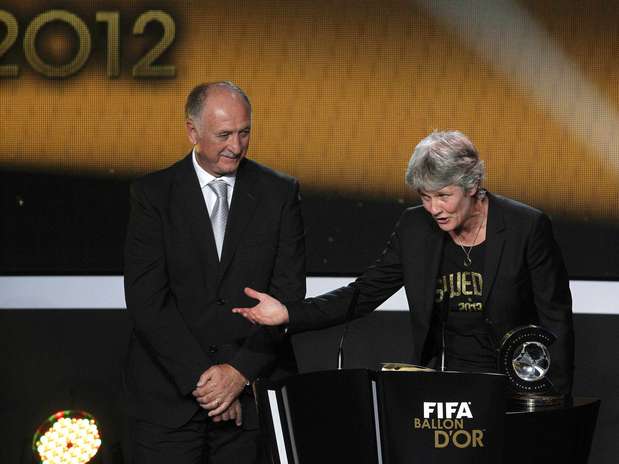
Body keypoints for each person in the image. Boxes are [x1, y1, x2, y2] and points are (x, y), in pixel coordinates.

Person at [234, 130, 574, 396]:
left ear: (472, 185)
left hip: (513, 385)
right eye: (425, 197)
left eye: (443, 195)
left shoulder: (525, 227)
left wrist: (553, 400)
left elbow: (555, 319)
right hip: (445, 385)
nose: (434, 208)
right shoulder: (415, 228)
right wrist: (289, 314)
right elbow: (364, 293)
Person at [123, 81, 305, 463]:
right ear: (192, 130)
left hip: (251, 403)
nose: (235, 147)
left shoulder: (280, 193)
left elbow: (286, 296)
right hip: (168, 403)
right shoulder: (153, 196)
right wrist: (207, 383)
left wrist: (237, 375)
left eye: (244, 133)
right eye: (223, 135)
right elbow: (147, 302)